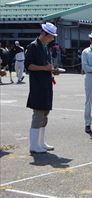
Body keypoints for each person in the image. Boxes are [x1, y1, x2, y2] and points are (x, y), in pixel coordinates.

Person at [25, 22, 61, 153]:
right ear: (44, 34)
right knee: (38, 114)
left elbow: (45, 66)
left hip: (46, 84)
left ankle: (41, 142)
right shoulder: (33, 46)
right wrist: (45, 68)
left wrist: (51, 70)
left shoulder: (45, 47)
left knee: (45, 114)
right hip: (37, 85)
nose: (52, 39)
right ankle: (34, 145)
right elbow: (28, 66)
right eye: (51, 36)